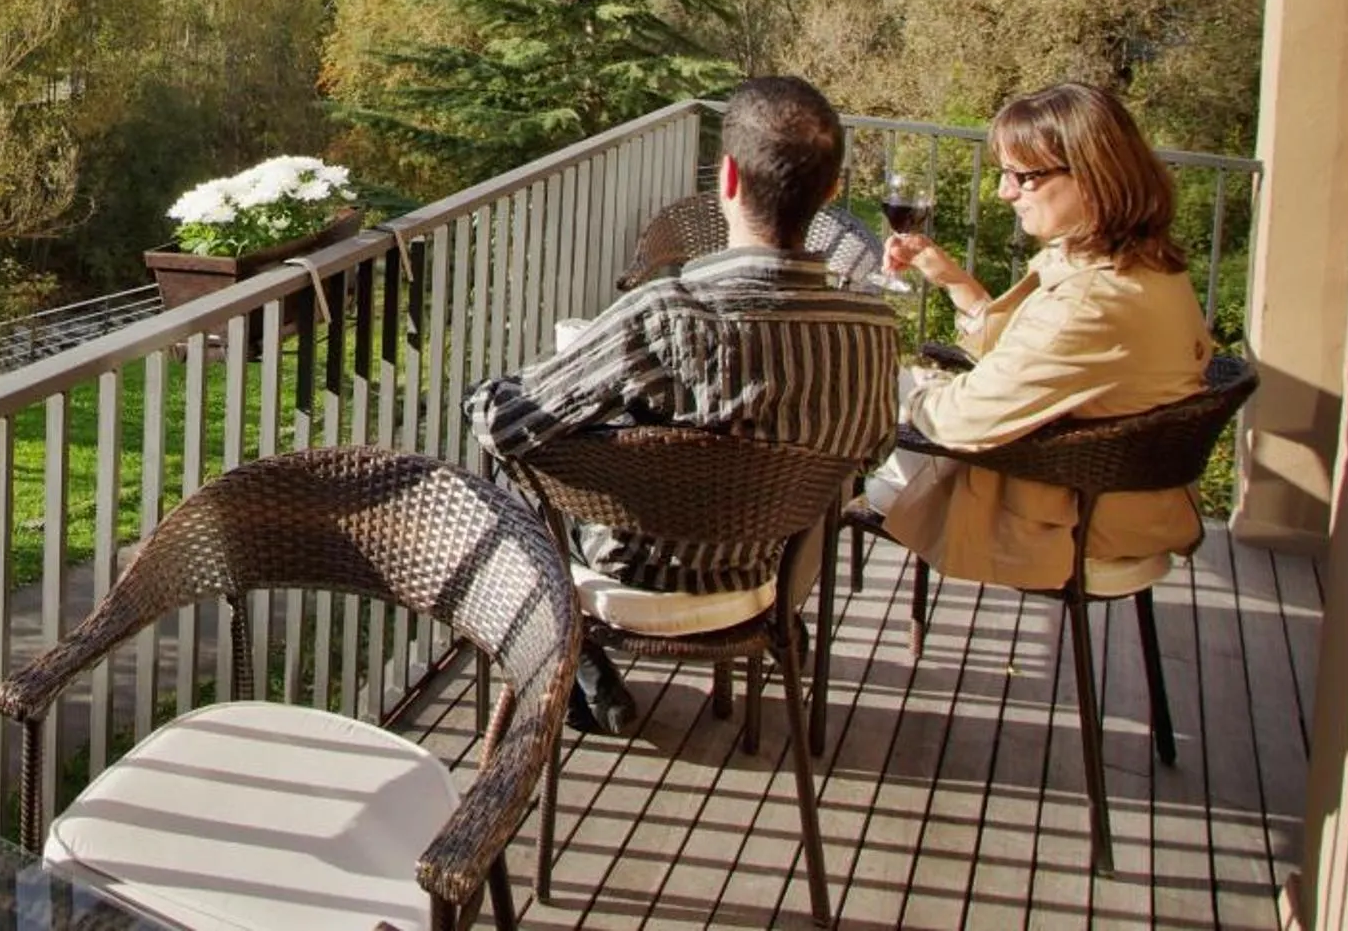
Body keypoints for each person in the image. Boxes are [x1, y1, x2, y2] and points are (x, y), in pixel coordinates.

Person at [468, 77, 902, 727]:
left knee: (502, 488)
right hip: (771, 568)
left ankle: (577, 658)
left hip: (634, 569)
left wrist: (495, 391)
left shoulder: (667, 312)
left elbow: (506, 424)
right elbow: (874, 450)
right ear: (833, 191)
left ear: (726, 178)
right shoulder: (872, 331)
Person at [878, 82, 1217, 592]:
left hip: (1072, 517)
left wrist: (907, 395)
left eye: (1023, 176)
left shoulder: (1091, 301)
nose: (1003, 191)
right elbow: (1039, 356)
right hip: (1129, 502)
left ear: (1092, 176)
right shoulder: (1146, 268)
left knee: (839, 435)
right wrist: (955, 282)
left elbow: (959, 421)